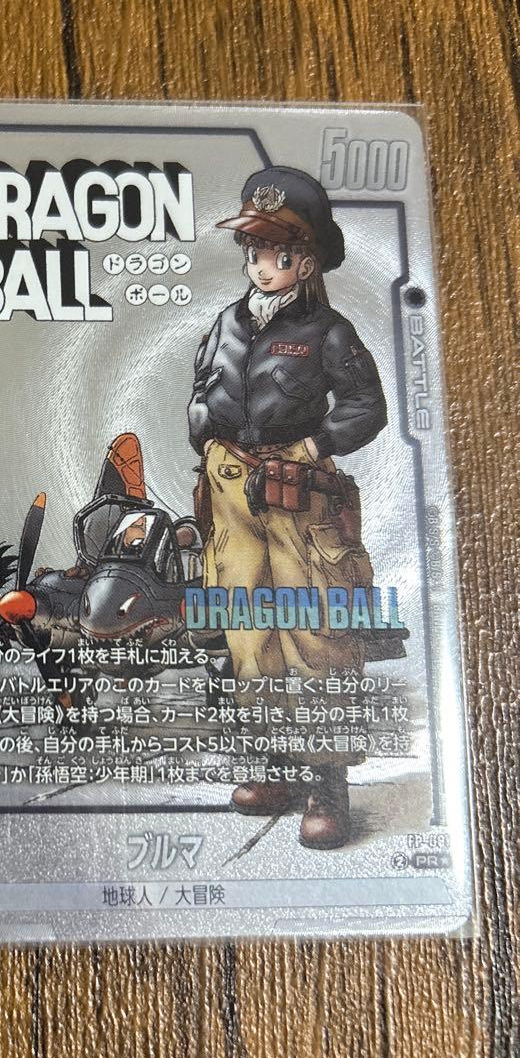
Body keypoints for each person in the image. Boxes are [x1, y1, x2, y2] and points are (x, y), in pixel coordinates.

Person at [188, 165, 387, 849]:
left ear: (306, 261)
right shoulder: (228, 320)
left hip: (297, 492)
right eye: (253, 250)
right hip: (232, 491)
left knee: (316, 635)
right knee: (250, 635)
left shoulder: (328, 329)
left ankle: (327, 784)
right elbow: (206, 384)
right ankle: (274, 766)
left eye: (274, 252)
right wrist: (205, 436)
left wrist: (311, 446)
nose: (259, 264)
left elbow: (366, 406)